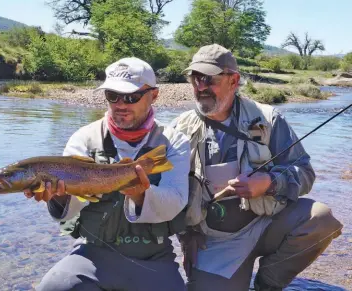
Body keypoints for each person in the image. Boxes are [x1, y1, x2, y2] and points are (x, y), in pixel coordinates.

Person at [172, 44, 343, 291]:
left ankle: (266, 284)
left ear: (234, 80)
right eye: (195, 78)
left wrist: (270, 183)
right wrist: (187, 236)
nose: (201, 86)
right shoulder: (179, 129)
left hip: (268, 223)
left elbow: (305, 173)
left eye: (209, 79)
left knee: (321, 219)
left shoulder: (268, 119)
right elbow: (172, 193)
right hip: (216, 241)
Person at [24, 57, 191, 291]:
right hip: (93, 254)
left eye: (131, 97)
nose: (120, 104)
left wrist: (141, 195)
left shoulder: (173, 142)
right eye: (112, 95)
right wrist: (59, 197)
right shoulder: (84, 138)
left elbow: (175, 201)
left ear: (154, 96)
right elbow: (68, 212)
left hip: (153, 257)